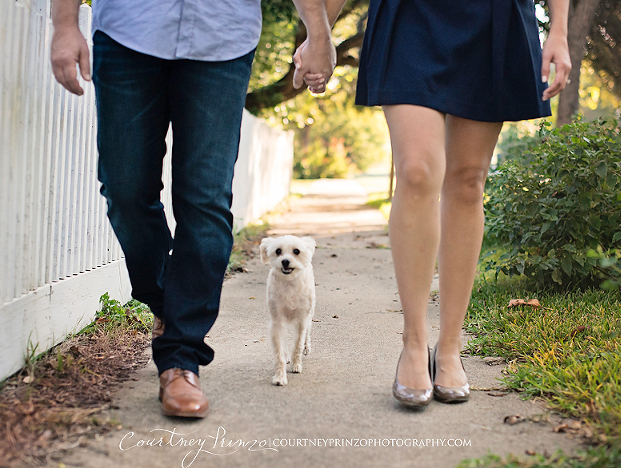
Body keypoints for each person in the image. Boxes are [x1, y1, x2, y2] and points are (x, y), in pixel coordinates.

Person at [50, 0, 337, 418]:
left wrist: (318, 31)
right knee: (126, 192)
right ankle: (167, 302)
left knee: (205, 203)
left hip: (222, 40)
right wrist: (64, 22)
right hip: (128, 30)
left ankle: (181, 359)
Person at [305, 0, 571, 407]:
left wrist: (559, 30)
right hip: (411, 16)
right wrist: (320, 32)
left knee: (467, 181)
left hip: (492, 18)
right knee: (416, 171)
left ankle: (449, 346)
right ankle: (414, 342)